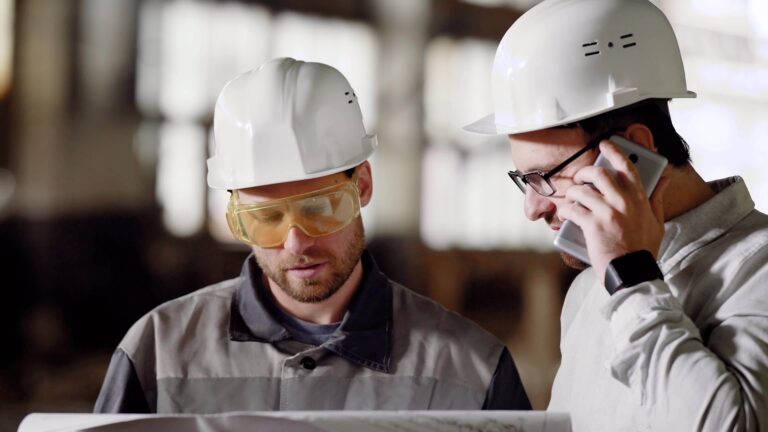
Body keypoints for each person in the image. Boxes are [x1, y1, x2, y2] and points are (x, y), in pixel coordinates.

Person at [95, 58, 531, 413]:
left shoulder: (471, 369)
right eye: (266, 218)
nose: (295, 243)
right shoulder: (159, 351)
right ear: (235, 217)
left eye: (319, 209)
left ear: (362, 185)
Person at [464, 0, 768, 430]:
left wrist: (631, 276)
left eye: (545, 176)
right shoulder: (589, 290)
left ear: (632, 152)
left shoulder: (758, 269)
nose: (532, 207)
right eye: (523, 178)